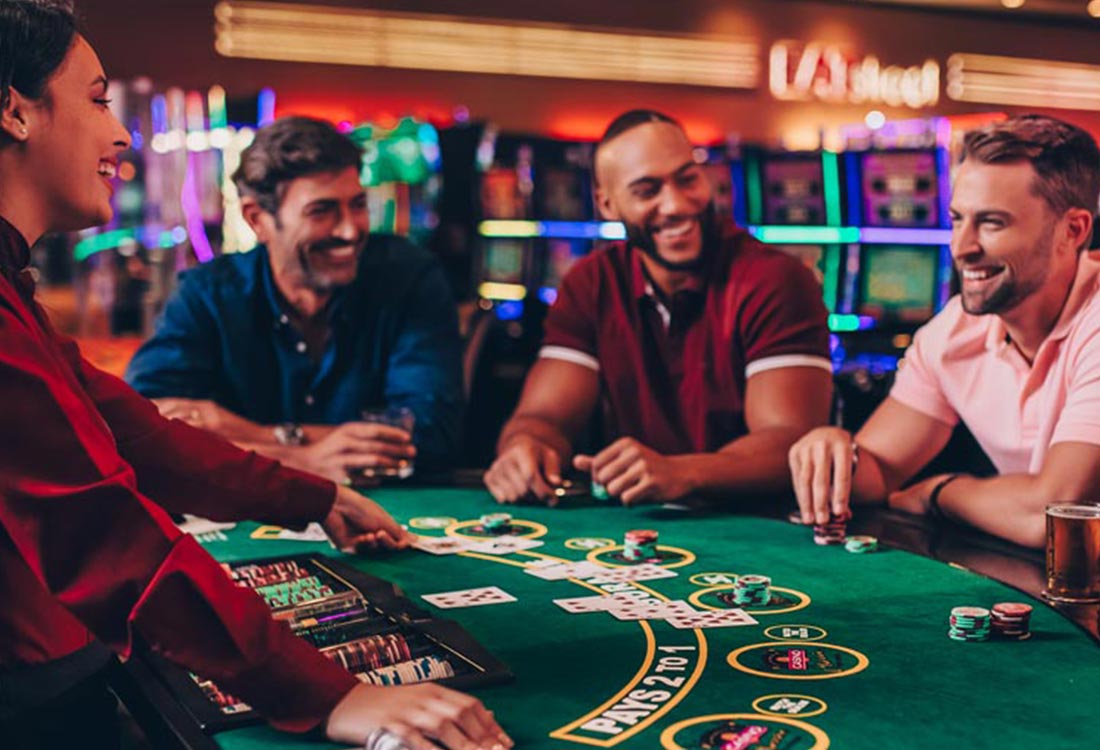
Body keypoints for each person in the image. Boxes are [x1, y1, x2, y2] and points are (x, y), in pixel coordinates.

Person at [0, 3, 510, 749]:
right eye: (98, 99)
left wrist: (315, 496)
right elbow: (100, 535)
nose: (120, 133)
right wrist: (331, 695)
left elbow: (142, 436)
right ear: (13, 109)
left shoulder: (13, 291)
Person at [485, 110, 833, 507]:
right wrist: (525, 446)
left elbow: (790, 441)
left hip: (760, 523)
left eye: (687, 179)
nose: (676, 205)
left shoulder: (775, 278)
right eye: (647, 191)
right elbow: (545, 416)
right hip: (642, 519)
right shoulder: (590, 282)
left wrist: (680, 471)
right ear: (608, 205)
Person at [789, 115, 1100, 549]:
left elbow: (1057, 515)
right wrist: (836, 450)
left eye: (992, 223)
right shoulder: (954, 331)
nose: (961, 247)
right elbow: (879, 471)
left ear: (1074, 230)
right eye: (957, 219)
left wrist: (940, 493)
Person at [125, 116, 464, 483]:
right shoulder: (207, 295)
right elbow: (142, 429)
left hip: (390, 516)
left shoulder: (409, 278)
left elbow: (428, 435)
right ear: (258, 220)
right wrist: (301, 459)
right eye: (321, 211)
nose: (350, 230)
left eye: (358, 204)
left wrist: (248, 436)